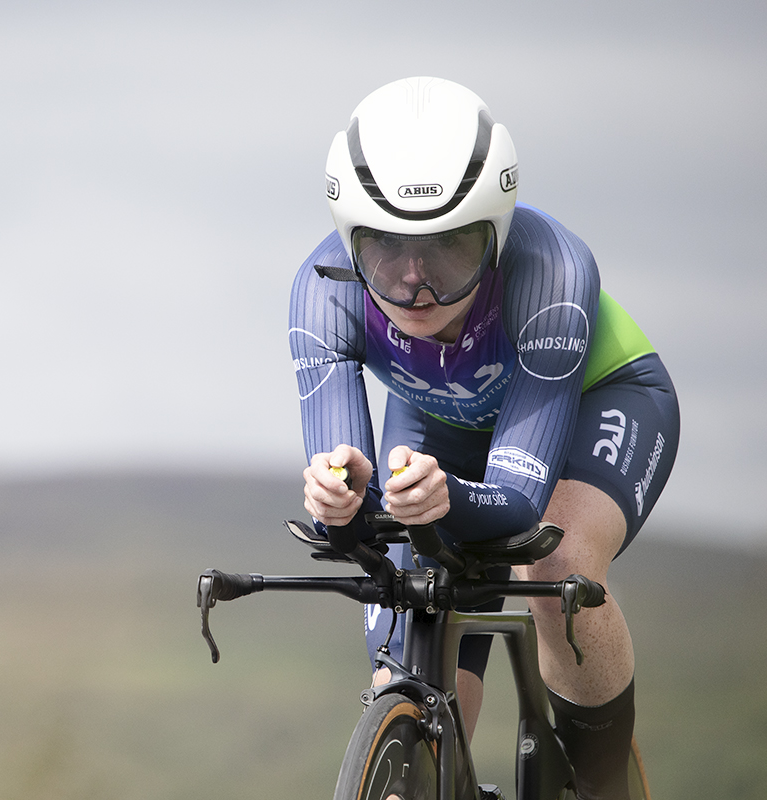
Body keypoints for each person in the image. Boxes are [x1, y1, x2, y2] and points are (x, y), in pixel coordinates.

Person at [290, 77, 679, 800]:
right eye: (385, 254)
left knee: (554, 562)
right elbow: (351, 493)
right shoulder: (323, 287)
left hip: (598, 400)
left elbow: (518, 508)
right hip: (444, 422)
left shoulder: (551, 271)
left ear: (496, 238)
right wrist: (337, 499)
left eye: (451, 251)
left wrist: (439, 501)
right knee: (406, 638)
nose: (417, 287)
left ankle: (601, 783)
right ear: (350, 243)